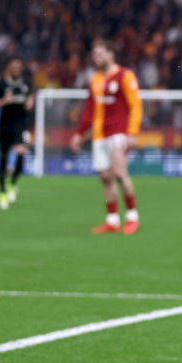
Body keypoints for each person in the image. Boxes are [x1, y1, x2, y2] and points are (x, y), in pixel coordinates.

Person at [70, 40, 142, 234]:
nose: (96, 58)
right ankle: (112, 220)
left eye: (100, 55)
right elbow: (89, 109)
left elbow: (136, 105)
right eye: (94, 55)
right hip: (99, 134)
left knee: (120, 173)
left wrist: (133, 132)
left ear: (111, 55)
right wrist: (79, 133)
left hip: (118, 133)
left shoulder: (125, 76)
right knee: (105, 178)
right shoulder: (95, 79)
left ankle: (132, 217)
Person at [0, 58, 34, 210]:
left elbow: (31, 95)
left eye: (18, 67)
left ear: (21, 68)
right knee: (3, 159)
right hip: (5, 126)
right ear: (9, 68)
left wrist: (31, 100)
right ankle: (2, 192)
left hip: (21, 125)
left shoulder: (26, 83)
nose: (16, 70)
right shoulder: (1, 85)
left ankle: (12, 183)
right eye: (13, 67)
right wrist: (3, 101)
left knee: (21, 154)